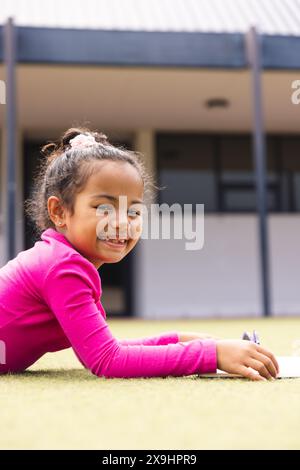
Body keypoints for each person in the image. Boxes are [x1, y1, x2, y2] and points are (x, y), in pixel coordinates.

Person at [0, 127, 279, 381]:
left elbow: (102, 349)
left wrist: (183, 341)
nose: (123, 222)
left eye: (133, 211)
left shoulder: (66, 263)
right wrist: (210, 354)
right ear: (59, 212)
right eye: (104, 208)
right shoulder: (61, 268)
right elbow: (107, 360)